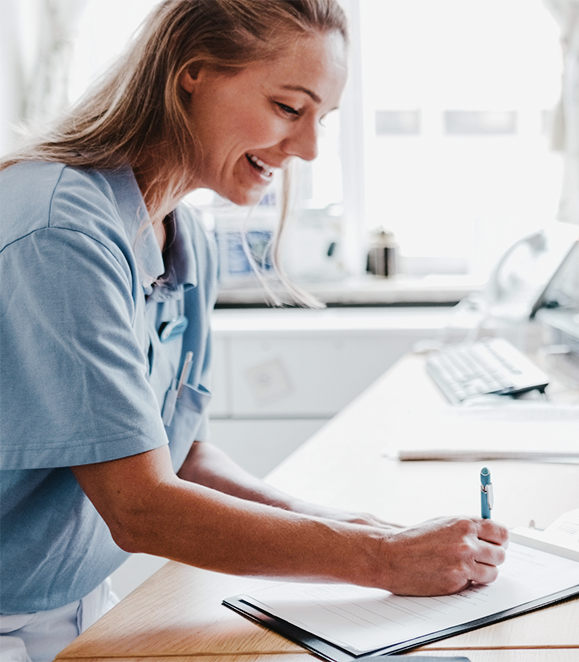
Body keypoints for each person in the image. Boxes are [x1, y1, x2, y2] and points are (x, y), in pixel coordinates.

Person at [0, 2, 507, 661]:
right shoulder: (61, 230)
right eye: (289, 108)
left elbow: (180, 456)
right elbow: (140, 506)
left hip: (72, 606)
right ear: (195, 73)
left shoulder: (187, 239)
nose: (309, 148)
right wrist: (379, 559)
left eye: (320, 119)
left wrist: (343, 525)